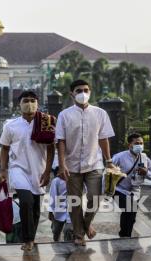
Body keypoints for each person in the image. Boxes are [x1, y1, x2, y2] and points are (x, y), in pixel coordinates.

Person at [56, 79, 115, 246]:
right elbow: (60, 141)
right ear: (72, 94)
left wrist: (109, 160)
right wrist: (62, 164)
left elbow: (103, 138)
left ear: (90, 92)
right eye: (79, 90)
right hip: (71, 165)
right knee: (75, 202)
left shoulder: (100, 113)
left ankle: (86, 224)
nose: (83, 93)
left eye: (86, 90)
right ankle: (79, 235)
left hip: (94, 163)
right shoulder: (64, 115)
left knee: (95, 197)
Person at [0, 90, 55, 251]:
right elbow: (4, 148)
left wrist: (47, 171)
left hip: (39, 169)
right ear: (19, 104)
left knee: (36, 207)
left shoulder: (46, 122)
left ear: (37, 103)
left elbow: (51, 149)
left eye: (32, 100)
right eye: (26, 101)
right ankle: (28, 239)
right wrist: (3, 169)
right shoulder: (11, 125)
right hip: (18, 169)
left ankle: (32, 236)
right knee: (26, 201)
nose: (29, 104)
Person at [112, 133, 151, 237]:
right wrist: (104, 191)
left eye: (141, 143)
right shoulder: (119, 157)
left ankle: (126, 235)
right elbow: (108, 172)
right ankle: (125, 236)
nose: (140, 145)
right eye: (137, 143)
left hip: (135, 191)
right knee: (129, 208)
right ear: (130, 145)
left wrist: (146, 172)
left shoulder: (145, 158)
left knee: (131, 215)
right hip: (119, 189)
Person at [48, 167, 74, 242]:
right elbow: (53, 196)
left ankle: (68, 246)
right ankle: (56, 243)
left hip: (72, 211)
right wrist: (50, 211)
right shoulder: (56, 181)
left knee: (69, 230)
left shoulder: (74, 180)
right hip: (59, 211)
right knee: (56, 231)